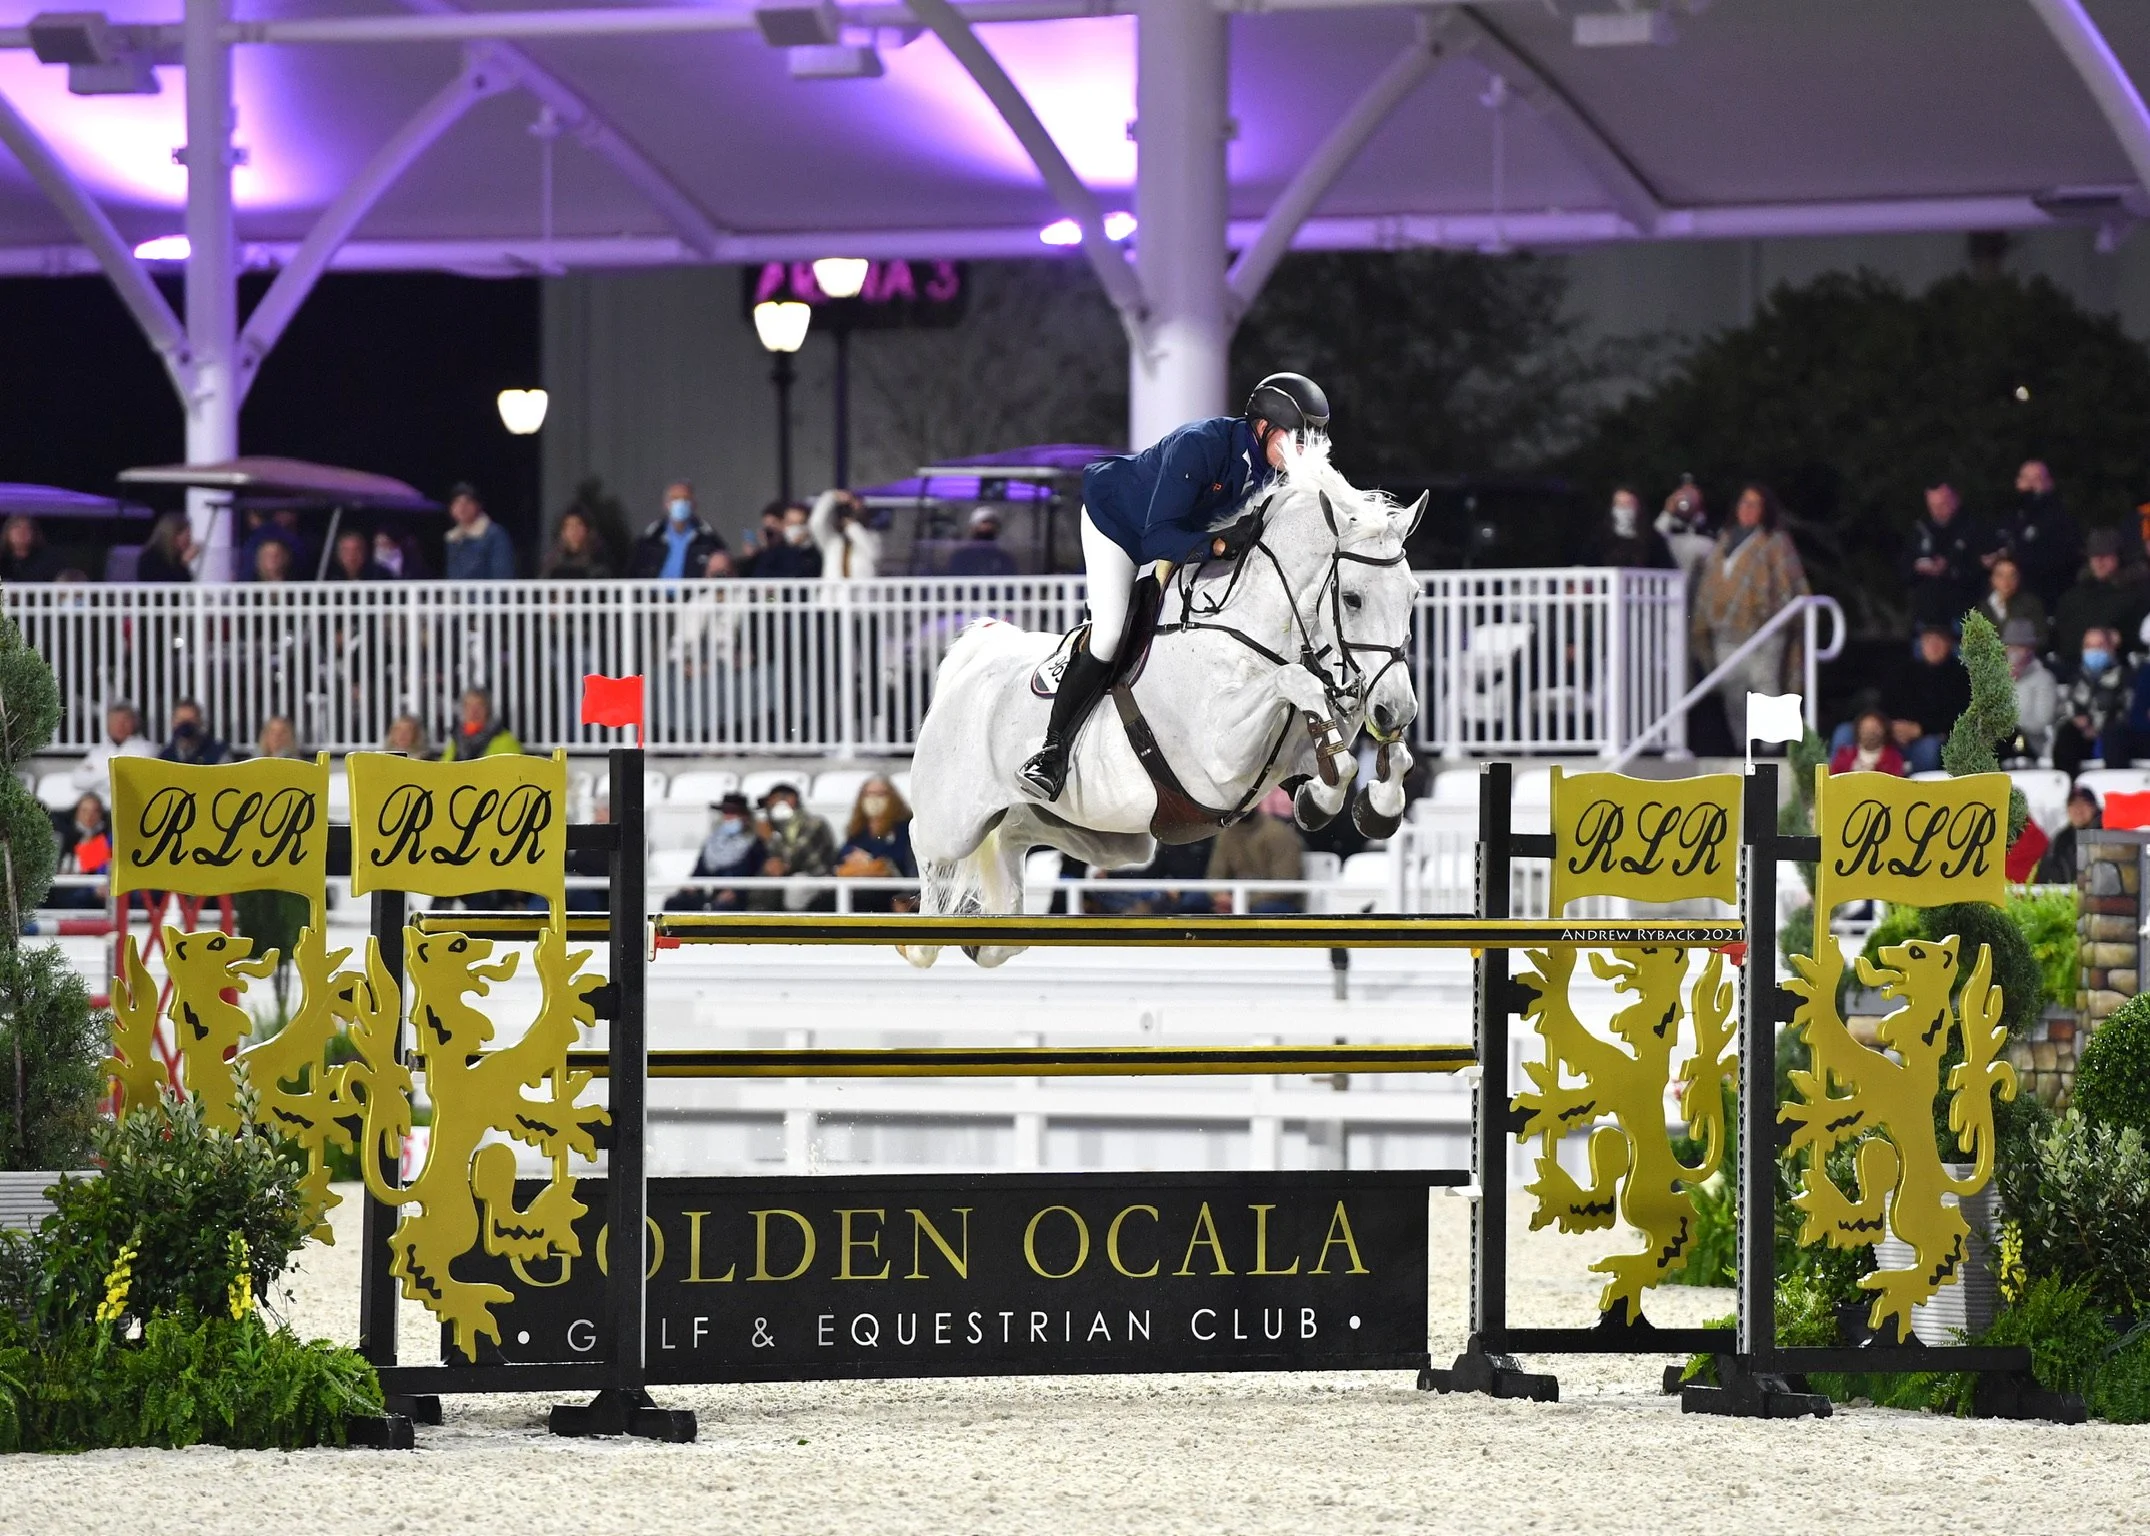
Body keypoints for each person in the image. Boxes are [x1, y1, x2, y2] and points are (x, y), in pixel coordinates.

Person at [1020, 372, 1330, 801]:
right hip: (1122, 526)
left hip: (1186, 535)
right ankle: (1050, 753)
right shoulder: (1201, 445)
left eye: (1311, 443)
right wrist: (1220, 543)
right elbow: (1158, 539)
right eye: (1297, 440)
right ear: (1262, 428)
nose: (1304, 453)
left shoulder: (1275, 470)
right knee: (1110, 634)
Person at [1690, 482, 1811, 745]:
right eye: (1743, 502)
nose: (1747, 509)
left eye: (1754, 504)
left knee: (1766, 685)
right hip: (1726, 630)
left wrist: (1776, 613)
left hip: (1765, 629)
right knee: (1733, 689)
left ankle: (1772, 748)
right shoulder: (1723, 540)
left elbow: (1790, 584)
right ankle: (1742, 745)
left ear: (1765, 509)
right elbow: (1710, 584)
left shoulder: (1775, 541)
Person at [1899, 478, 1986, 627]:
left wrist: (1949, 569)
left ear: (1955, 499)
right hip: (1927, 616)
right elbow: (1904, 568)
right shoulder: (1921, 530)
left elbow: (1980, 569)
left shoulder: (1972, 529)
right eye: (1932, 506)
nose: (1937, 511)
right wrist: (1917, 568)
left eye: (1942, 504)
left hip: (1963, 613)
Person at [1205, 786, 1306, 912]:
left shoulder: (1279, 833)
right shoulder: (1225, 834)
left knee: (1263, 910)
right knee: (1193, 902)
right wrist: (1219, 895)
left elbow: (1285, 884)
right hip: (1236, 898)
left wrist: (1243, 901)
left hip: (1273, 902)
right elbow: (1215, 874)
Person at [1888, 622, 1971, 774]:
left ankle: (1920, 794)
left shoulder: (1961, 677)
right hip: (1892, 735)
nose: (1933, 645)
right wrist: (1890, 727)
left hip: (1931, 739)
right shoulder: (1903, 672)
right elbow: (1885, 705)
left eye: (1938, 640)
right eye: (1928, 640)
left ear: (1949, 644)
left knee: (1929, 748)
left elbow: (1960, 719)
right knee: (1846, 732)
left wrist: (1921, 729)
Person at [1998, 459, 2081, 609]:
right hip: (2007, 595)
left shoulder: (2060, 517)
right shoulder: (2009, 515)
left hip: (2044, 597)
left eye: (2036, 479)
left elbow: (2063, 559)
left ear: (2049, 483)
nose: (2030, 484)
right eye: (2026, 479)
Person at [664, 792, 764, 912]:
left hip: (738, 896)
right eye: (725, 812)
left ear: (744, 817)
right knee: (675, 903)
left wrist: (737, 891)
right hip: (707, 892)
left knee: (723, 907)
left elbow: (756, 874)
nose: (728, 817)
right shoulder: (711, 841)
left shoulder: (754, 844)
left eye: (733, 813)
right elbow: (700, 870)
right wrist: (692, 886)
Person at [2052, 626, 2132, 774]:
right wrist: (2081, 724)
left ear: (2110, 648)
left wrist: (2098, 727)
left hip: (2113, 736)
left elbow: (2127, 712)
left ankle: (2115, 787)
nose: (2093, 651)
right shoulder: (2076, 677)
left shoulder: (2125, 677)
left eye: (2099, 646)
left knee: (2114, 734)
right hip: (2084, 736)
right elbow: (2070, 707)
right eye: (2089, 646)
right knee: (2066, 733)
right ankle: (2069, 787)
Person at [833, 775, 916, 913]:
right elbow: (843, 853)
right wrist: (854, 858)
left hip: (893, 889)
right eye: (869, 794)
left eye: (880, 794)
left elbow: (902, 859)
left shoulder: (904, 826)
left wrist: (871, 860)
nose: (874, 800)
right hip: (859, 886)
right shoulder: (858, 829)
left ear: (892, 797)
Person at [2053, 528, 2135, 663]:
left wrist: (2120, 639)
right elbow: (2062, 642)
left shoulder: (2134, 596)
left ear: (2117, 557)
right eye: (2094, 556)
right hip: (2075, 672)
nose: (2099, 561)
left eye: (2105, 555)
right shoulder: (2071, 599)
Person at [752, 783, 838, 911]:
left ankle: (792, 927)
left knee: (796, 886)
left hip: (818, 875)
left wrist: (770, 839)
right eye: (771, 801)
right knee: (762, 878)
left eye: (782, 798)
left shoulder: (814, 822)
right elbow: (775, 860)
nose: (776, 804)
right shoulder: (777, 827)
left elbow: (796, 854)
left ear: (794, 798)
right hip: (790, 873)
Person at [629, 481, 724, 579]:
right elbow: (632, 571)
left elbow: (722, 568)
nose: (680, 503)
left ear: (694, 504)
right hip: (654, 594)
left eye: (685, 499)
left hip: (693, 594)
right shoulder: (651, 537)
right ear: (665, 504)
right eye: (675, 499)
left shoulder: (707, 538)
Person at [2003, 617, 2059, 763]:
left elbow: (2041, 722)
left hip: (2031, 746)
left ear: (2031, 649)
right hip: (1999, 744)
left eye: (2020, 647)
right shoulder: (1995, 678)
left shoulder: (2044, 679)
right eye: (2011, 646)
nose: (2014, 652)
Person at [70, 703, 155, 794]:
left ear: (134, 723)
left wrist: (96, 773)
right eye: (114, 721)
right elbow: (78, 780)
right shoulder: (98, 752)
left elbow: (132, 782)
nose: (119, 725)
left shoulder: (147, 750)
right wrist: (114, 773)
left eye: (125, 721)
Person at [51, 793, 112, 911]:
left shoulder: (107, 837)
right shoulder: (63, 834)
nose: (89, 816)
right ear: (77, 812)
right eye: (84, 811)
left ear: (101, 814)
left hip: (91, 892)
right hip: (61, 888)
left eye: (94, 811)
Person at [443, 483, 516, 581]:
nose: (462, 508)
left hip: (485, 595)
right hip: (459, 595)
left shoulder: (494, 534)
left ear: (478, 506)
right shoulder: (452, 538)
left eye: (468, 502)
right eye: (457, 502)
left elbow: (502, 575)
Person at [1654, 476, 1714, 590]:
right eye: (1683, 492)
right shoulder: (1665, 523)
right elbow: (1654, 539)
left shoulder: (1708, 526)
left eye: (1692, 492)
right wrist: (1668, 512)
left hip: (1696, 589)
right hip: (1669, 588)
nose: (1687, 497)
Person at [809, 489, 881, 581]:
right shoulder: (831, 540)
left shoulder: (872, 536)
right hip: (834, 593)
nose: (853, 509)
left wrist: (852, 527)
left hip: (862, 593)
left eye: (857, 507)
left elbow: (874, 555)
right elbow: (816, 523)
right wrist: (831, 497)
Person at [2035, 784, 2101, 885]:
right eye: (2073, 804)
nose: (2078, 809)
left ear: (2094, 807)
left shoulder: (2108, 835)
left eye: (2083, 804)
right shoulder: (2061, 840)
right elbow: (2044, 877)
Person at [1595, 486, 1675, 569]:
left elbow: (1666, 567)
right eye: (1620, 504)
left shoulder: (1652, 539)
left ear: (1638, 508)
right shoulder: (1600, 538)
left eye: (1628, 504)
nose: (1624, 510)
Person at [1978, 556, 2046, 647]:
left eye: (2012, 576)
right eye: (2000, 575)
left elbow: (2041, 637)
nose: (2006, 581)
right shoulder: (1983, 607)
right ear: (1992, 579)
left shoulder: (2030, 604)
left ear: (2018, 579)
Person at [748, 502, 822, 580]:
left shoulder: (820, 553)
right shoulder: (773, 554)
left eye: (800, 523)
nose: (795, 528)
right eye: (790, 523)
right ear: (784, 525)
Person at [441, 689, 521, 760]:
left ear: (488, 709)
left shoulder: (505, 740)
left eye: (479, 706)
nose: (473, 712)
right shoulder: (457, 738)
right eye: (468, 706)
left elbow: (514, 771)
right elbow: (444, 769)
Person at [1828, 708, 1907, 776]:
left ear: (1884, 731)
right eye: (1866, 729)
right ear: (1858, 730)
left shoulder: (1893, 756)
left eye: (1875, 728)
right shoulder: (1845, 754)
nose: (1870, 733)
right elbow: (1834, 777)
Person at [946, 507, 1019, 578]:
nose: (988, 527)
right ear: (973, 527)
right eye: (984, 523)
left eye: (992, 523)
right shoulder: (961, 557)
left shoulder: (1004, 558)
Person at [543, 508, 615, 579]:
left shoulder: (599, 558)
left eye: (579, 525)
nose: (574, 530)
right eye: (569, 526)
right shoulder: (553, 560)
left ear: (587, 529)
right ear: (562, 532)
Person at [159, 699, 231, 765]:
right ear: (173, 722)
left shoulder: (218, 753)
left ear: (200, 722)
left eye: (191, 720)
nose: (185, 725)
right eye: (181, 720)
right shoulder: (165, 756)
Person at [0, 515, 64, 582]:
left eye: (27, 528)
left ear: (34, 533)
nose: (22, 532)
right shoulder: (2, 561)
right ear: (7, 532)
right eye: (17, 527)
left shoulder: (49, 562)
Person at [734, 501, 790, 577]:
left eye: (774, 523)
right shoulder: (761, 554)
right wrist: (750, 557)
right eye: (766, 525)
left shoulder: (790, 550)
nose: (769, 529)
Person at [136, 512, 196, 582]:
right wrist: (183, 562)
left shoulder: (175, 558)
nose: (188, 542)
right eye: (186, 538)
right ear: (173, 535)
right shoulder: (151, 557)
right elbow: (166, 583)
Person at [323, 527, 391, 582]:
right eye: (346, 551)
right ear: (338, 555)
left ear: (365, 553)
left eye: (357, 550)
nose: (352, 556)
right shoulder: (327, 577)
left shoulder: (380, 576)